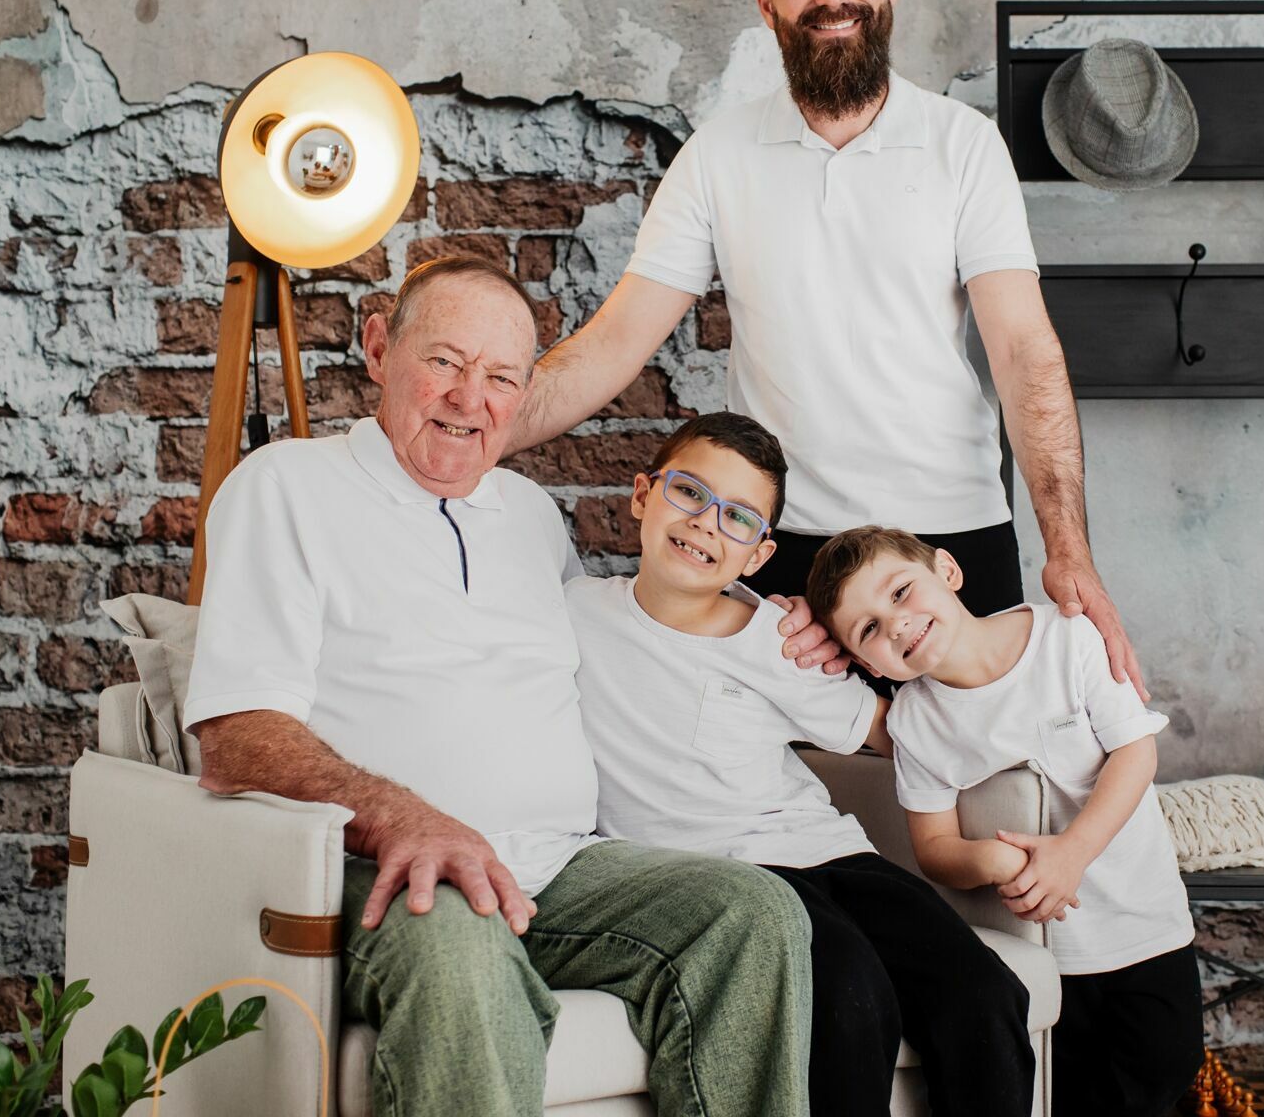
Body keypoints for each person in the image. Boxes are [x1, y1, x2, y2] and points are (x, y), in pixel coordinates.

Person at [181, 254, 813, 1117]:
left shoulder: (527, 514)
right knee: (460, 940)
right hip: (384, 868)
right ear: (377, 349)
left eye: (501, 377)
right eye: (443, 361)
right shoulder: (285, 487)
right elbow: (237, 737)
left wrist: (775, 635)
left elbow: (627, 641)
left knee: (751, 913)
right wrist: (409, 818)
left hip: (559, 865)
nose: (468, 397)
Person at [509, 0, 1147, 695]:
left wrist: (1068, 547)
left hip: (951, 536)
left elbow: (1023, 349)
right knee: (815, 800)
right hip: (785, 548)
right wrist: (477, 432)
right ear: (767, 2)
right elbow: (616, 341)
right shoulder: (718, 155)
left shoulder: (963, 145)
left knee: (981, 796)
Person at [563, 411, 1037, 1117]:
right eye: (689, 493)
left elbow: (892, 734)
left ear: (757, 556)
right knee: (849, 995)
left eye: (738, 520)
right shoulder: (571, 614)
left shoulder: (777, 640)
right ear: (641, 495)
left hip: (834, 857)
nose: (705, 526)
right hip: (724, 886)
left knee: (988, 995)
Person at [807, 526, 1203, 1117]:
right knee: (1062, 1096)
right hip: (1046, 958)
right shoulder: (916, 722)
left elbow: (1135, 754)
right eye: (869, 630)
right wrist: (988, 860)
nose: (895, 625)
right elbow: (934, 847)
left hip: (1142, 926)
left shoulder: (1067, 638)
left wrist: (1071, 852)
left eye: (899, 592)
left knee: (1161, 1069)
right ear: (866, 661)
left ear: (947, 570)